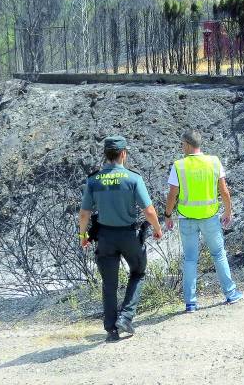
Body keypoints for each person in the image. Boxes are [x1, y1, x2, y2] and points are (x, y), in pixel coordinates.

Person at [79, 135, 163, 342]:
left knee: (109, 284)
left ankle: (111, 331)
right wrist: (157, 229)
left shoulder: (93, 180)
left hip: (105, 237)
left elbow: (84, 214)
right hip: (128, 235)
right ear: (124, 153)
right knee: (138, 273)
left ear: (106, 155)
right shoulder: (133, 178)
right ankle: (125, 317)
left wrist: (83, 235)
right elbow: (149, 211)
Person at [164, 129, 243, 313]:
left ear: (188, 145)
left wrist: (167, 215)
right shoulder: (214, 162)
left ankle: (191, 303)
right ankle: (231, 294)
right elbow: (224, 191)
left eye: (182, 144)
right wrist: (228, 211)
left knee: (190, 259)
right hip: (210, 217)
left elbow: (172, 195)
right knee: (219, 254)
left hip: (187, 218)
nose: (181, 147)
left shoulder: (179, 165)